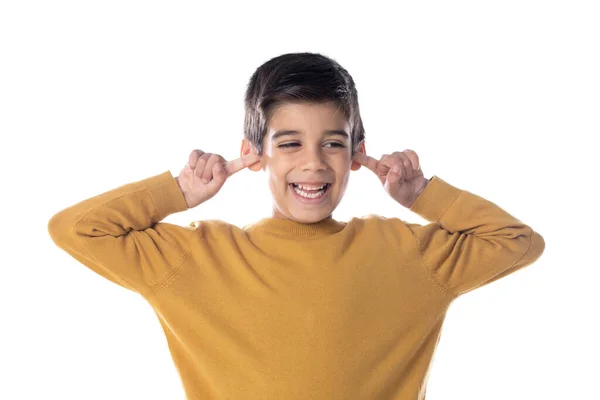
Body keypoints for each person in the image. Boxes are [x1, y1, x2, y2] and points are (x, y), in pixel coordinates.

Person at [48, 52, 545, 400]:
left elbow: (517, 242)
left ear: (356, 153)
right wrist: (178, 192)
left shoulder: (407, 254)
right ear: (252, 154)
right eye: (288, 143)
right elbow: (75, 229)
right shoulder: (197, 259)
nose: (313, 163)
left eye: (332, 142)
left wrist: (421, 195)